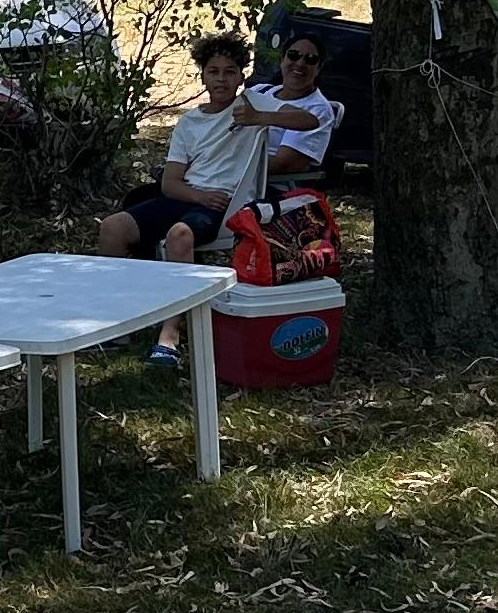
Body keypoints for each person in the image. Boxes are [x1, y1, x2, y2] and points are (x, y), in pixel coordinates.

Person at [101, 33, 265, 367]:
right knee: (112, 228)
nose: (221, 79)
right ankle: (120, 322)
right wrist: (199, 194)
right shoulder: (189, 122)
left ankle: (169, 336)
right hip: (191, 196)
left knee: (179, 234)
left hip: (226, 207)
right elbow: (170, 182)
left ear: (241, 76)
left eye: (230, 71)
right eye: (214, 71)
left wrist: (263, 119)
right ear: (202, 75)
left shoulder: (251, 107)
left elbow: (311, 120)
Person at [245, 31, 341, 181]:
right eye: (293, 55)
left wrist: (231, 167)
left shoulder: (317, 112)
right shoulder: (259, 91)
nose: (301, 63)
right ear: (282, 60)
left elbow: (284, 164)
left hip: (265, 185)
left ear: (319, 68)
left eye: (311, 59)